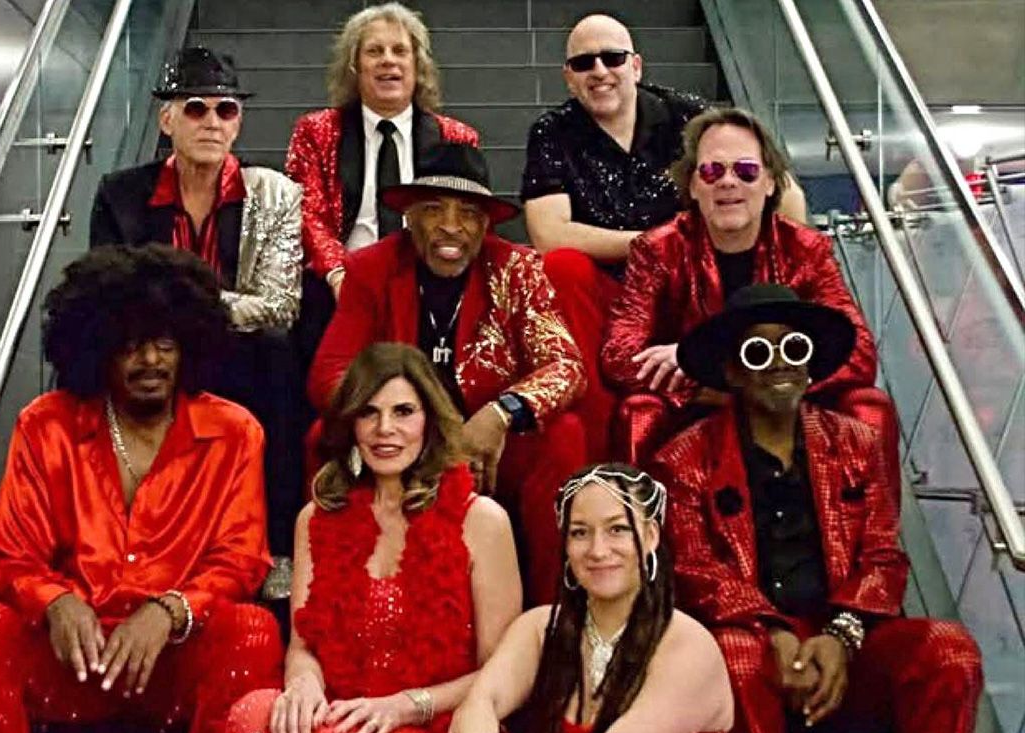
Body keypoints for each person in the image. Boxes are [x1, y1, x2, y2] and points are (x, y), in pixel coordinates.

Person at [0, 244, 283, 733]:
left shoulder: (235, 432)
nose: (150, 361)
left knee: (254, 633)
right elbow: (12, 556)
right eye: (129, 345)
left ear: (190, 345)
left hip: (174, 665)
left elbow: (241, 560)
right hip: (74, 661)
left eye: (165, 344)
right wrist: (55, 602)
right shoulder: (45, 424)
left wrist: (170, 611)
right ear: (97, 349)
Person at [652, 285, 982, 733]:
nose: (779, 364)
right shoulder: (683, 459)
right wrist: (773, 632)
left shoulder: (856, 442)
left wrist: (841, 635)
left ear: (810, 366)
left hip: (847, 636)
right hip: (752, 644)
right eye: (758, 352)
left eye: (793, 348)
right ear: (733, 372)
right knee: (734, 657)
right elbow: (695, 571)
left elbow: (884, 556)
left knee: (951, 652)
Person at [224, 343, 522, 733]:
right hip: (343, 717)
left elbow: (501, 677)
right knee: (252, 716)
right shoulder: (316, 518)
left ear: (430, 421)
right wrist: (304, 683)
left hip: (432, 732)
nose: (385, 429)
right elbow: (303, 646)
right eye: (369, 413)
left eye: (403, 412)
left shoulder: (481, 521)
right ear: (351, 425)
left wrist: (406, 704)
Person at [308, 143, 588, 604]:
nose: (452, 226)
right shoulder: (372, 268)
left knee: (565, 435)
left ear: (487, 224)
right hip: (401, 436)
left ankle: (555, 607)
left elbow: (566, 365)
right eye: (434, 209)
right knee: (323, 435)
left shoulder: (516, 269)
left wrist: (502, 413)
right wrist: (412, 426)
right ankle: (342, 599)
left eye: (469, 213)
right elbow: (329, 375)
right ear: (409, 215)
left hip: (491, 447)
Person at [521, 15, 807, 459]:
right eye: (583, 63)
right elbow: (550, 235)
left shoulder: (689, 116)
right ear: (568, 78)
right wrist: (656, 244)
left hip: (688, 287)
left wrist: (776, 259)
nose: (599, 71)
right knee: (562, 268)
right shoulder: (552, 132)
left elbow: (787, 197)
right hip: (610, 289)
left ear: (636, 66)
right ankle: (598, 452)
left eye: (612, 58)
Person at [447, 463, 754, 733]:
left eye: (617, 529)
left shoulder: (688, 646)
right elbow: (478, 706)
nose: (597, 550)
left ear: (651, 536)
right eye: (580, 533)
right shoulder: (542, 629)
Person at [603, 107, 899, 493]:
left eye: (746, 170)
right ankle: (642, 532)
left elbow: (859, 355)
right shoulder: (657, 249)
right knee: (638, 413)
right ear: (692, 186)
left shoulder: (806, 248)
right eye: (712, 171)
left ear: (771, 183)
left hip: (791, 399)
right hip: (699, 406)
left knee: (870, 406)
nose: (728, 182)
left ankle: (872, 533)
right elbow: (618, 355)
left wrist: (774, 380)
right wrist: (697, 369)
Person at [89, 46, 307, 567]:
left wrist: (179, 302)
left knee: (277, 353)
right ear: (167, 120)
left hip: (238, 353)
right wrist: (190, 310)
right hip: (148, 348)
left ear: (238, 123)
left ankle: (272, 546)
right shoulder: (122, 194)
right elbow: (107, 292)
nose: (212, 122)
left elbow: (280, 306)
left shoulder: (275, 193)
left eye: (225, 110)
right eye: (195, 108)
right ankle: (109, 542)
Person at [286, 2, 478, 306]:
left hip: (429, 284)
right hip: (339, 283)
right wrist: (339, 275)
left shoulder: (455, 137)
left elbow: (469, 223)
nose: (388, 60)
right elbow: (307, 215)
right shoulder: (316, 131)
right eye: (374, 51)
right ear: (355, 67)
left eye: (400, 51)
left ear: (417, 66)